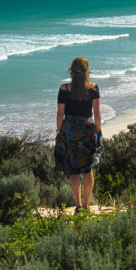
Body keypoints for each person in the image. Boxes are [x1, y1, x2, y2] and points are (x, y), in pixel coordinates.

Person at [54, 56, 101, 214]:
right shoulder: (93, 88)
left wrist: (59, 131)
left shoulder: (64, 89)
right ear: (87, 70)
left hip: (69, 130)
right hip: (87, 130)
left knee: (73, 170)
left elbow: (60, 113)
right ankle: (87, 205)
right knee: (87, 169)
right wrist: (98, 131)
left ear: (72, 71)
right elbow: (97, 113)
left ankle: (78, 206)